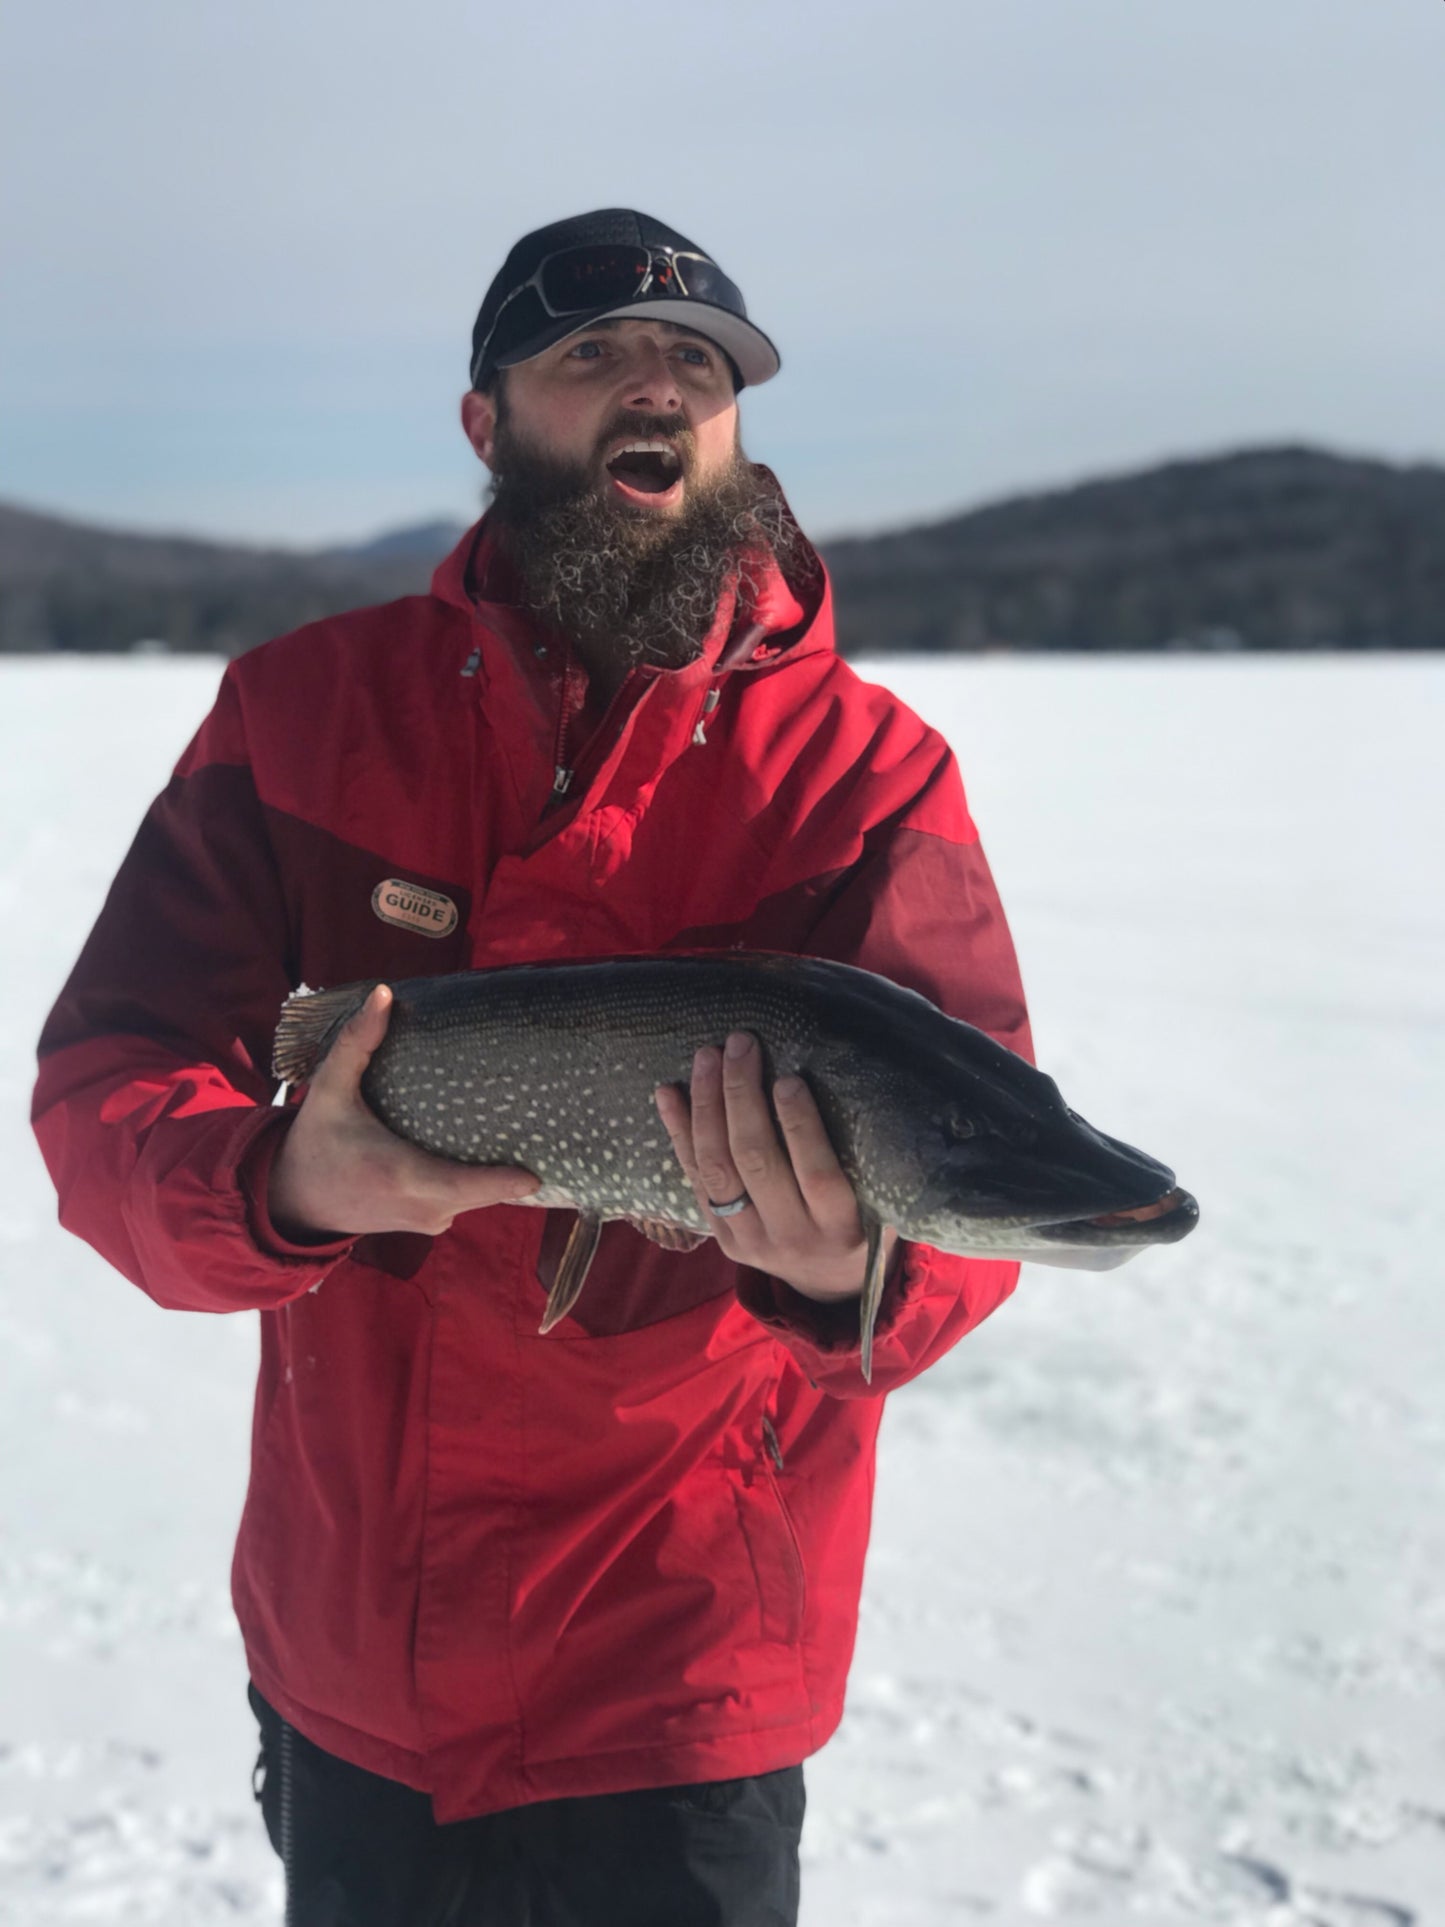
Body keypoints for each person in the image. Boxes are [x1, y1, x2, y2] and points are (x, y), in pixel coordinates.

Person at [32, 208, 1033, 1926]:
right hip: (364, 1657)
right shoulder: (300, 710)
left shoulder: (865, 778)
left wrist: (849, 1268)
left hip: (682, 1676)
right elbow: (110, 1084)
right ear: (487, 423)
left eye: (701, 368)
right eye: (597, 356)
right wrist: (274, 1185)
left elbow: (977, 1174)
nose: (660, 387)